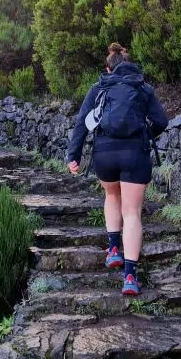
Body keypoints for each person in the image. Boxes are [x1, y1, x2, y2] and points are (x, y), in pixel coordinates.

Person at [67, 43, 168, 296]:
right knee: (132, 213)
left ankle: (113, 250)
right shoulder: (143, 88)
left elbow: (82, 122)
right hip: (135, 153)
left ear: (108, 68)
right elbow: (162, 121)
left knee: (111, 196)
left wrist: (73, 155)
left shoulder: (99, 87)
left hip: (105, 152)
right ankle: (130, 277)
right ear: (129, 64)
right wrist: (145, 135)